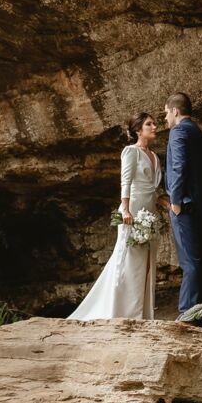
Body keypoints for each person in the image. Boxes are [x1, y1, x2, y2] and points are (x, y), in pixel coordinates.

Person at [68, 112, 162, 320]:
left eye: (154, 123)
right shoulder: (130, 151)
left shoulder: (154, 156)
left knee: (147, 262)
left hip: (150, 213)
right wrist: (126, 209)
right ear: (138, 130)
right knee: (128, 258)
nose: (154, 127)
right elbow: (125, 181)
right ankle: (119, 311)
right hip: (132, 211)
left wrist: (164, 202)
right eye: (149, 124)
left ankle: (143, 313)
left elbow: (153, 189)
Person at [164, 92, 202, 322]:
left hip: (186, 207)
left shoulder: (178, 131)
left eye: (166, 113)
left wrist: (175, 202)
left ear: (175, 111)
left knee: (190, 263)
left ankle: (187, 315)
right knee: (201, 263)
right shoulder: (198, 132)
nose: (165, 119)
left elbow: (178, 167)